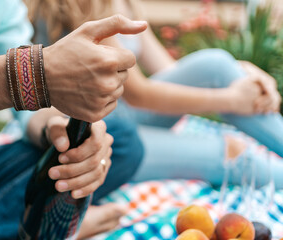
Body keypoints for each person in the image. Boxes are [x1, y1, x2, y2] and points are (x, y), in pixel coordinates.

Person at [0, 0, 146, 239]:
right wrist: (30, 73)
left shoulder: (3, 4)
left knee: (115, 138)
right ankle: (39, 228)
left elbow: (29, 107)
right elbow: (29, 80)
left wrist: (54, 130)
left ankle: (32, 225)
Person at [31, 0, 283, 189]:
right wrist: (232, 100)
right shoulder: (84, 3)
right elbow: (138, 94)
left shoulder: (122, 2)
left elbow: (170, 72)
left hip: (123, 117)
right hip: (94, 134)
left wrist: (241, 70)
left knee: (216, 64)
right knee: (234, 155)